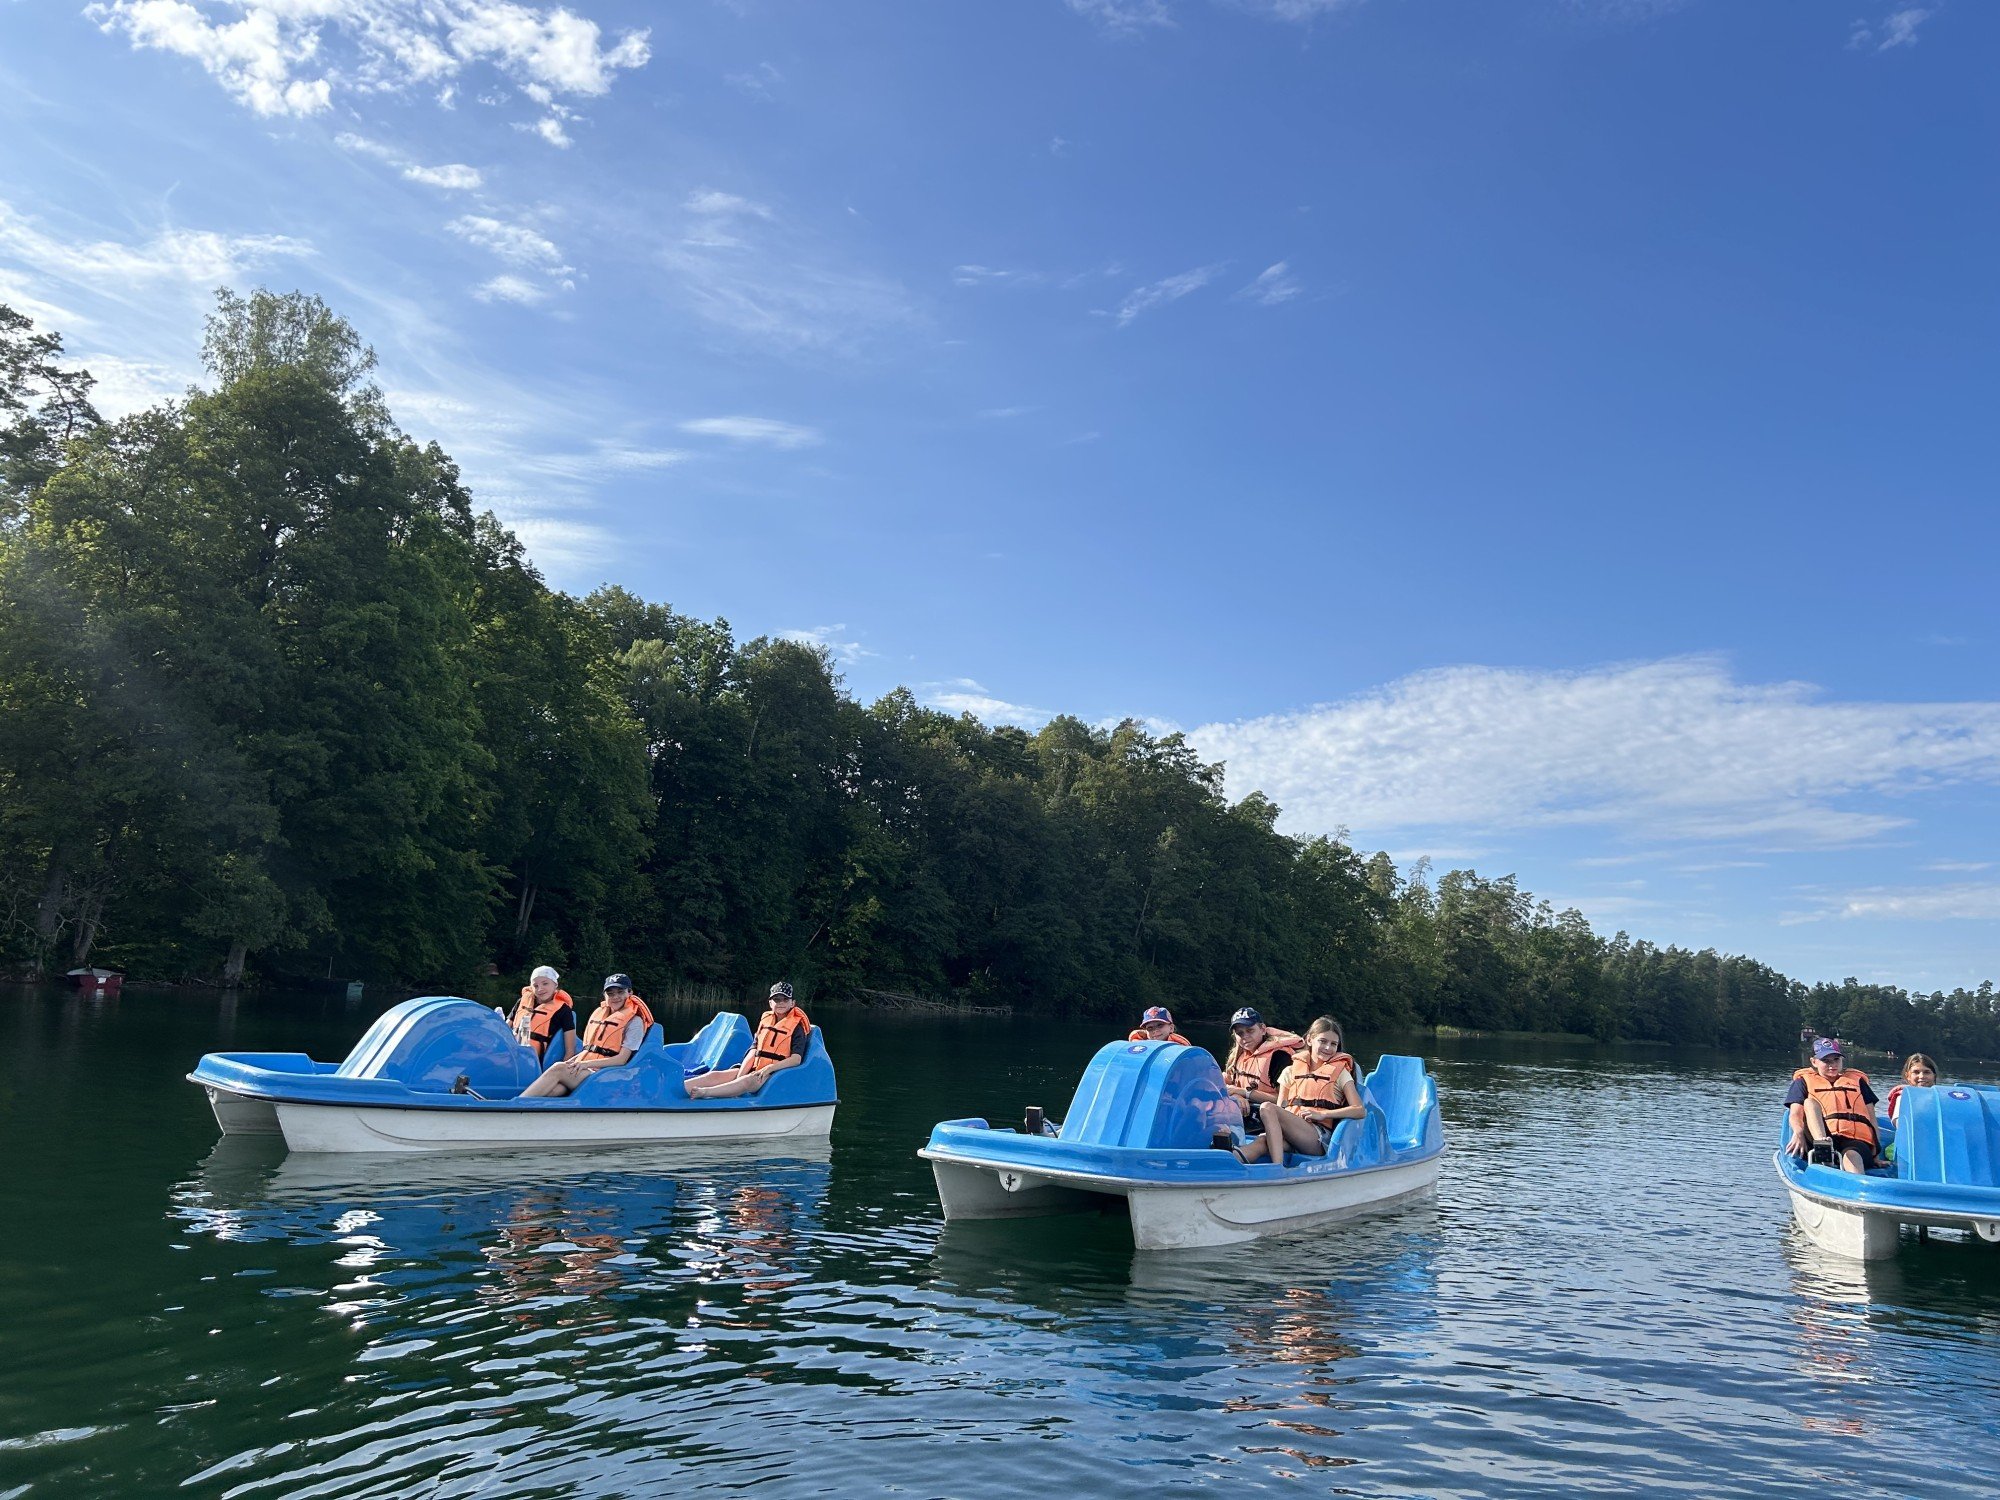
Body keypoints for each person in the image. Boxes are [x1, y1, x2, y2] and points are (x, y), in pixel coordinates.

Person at [1235, 1016, 1364, 1167]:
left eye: (1333, 1044)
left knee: (1267, 1107)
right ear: (1309, 1040)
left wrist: (1323, 1114)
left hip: (1318, 1137)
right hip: (1293, 1133)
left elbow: (1359, 1110)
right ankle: (1226, 1163)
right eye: (1323, 1041)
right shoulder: (1290, 1071)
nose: (1328, 1048)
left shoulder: (1341, 1073)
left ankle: (1277, 1168)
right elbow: (1282, 1107)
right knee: (1262, 1141)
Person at [519, 974, 653, 1099]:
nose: (615, 997)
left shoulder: (635, 1022)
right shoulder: (602, 1015)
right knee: (556, 1089)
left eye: (620, 992)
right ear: (604, 996)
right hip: (589, 1070)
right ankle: (527, 1111)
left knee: (558, 1068)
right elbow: (590, 1050)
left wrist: (584, 1064)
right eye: (610, 993)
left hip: (609, 1075)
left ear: (630, 993)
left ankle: (516, 1104)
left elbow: (622, 1060)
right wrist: (573, 1062)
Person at [687, 982, 814, 1099]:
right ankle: (680, 1087)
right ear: (770, 1003)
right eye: (777, 999)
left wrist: (770, 1068)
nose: (781, 1003)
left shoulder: (797, 1028)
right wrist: (740, 1074)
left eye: (785, 999)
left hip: (775, 1074)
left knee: (748, 1081)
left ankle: (705, 1092)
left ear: (792, 1003)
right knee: (715, 1075)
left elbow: (796, 1059)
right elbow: (754, 1051)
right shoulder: (765, 1021)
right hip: (757, 1068)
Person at [1785, 1039, 1879, 1174]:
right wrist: (1798, 1132)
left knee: (1852, 1155)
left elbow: (1872, 1118)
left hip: (1853, 1140)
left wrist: (1876, 1154)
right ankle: (1824, 1151)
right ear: (1814, 1062)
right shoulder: (1802, 1082)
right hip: (1818, 1137)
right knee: (1809, 1102)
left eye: (1836, 1059)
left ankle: (1856, 1183)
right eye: (1826, 1061)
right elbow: (1795, 1114)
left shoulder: (1858, 1082)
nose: (1832, 1065)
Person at [1222, 1008, 1304, 1127]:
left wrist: (1245, 1093)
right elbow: (1227, 1086)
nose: (1245, 1036)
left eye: (1250, 1030)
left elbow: (1285, 1101)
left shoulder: (1279, 1056)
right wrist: (1236, 1095)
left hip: (1274, 1121)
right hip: (1245, 1116)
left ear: (1263, 1029)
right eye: (1240, 1033)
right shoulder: (1238, 1056)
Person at [508, 965, 577, 1065]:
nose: (540, 989)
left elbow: (570, 1050)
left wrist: (564, 1067)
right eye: (535, 986)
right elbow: (505, 1028)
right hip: (511, 1053)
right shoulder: (522, 1002)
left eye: (545, 983)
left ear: (555, 984)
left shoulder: (564, 1010)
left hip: (536, 1061)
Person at [1887, 1052, 1938, 1126]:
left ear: (1934, 1075)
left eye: (1927, 1072)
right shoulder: (1903, 1097)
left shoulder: (1940, 1097)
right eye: (1916, 1072)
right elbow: (1900, 1124)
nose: (1921, 1076)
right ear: (1908, 1076)